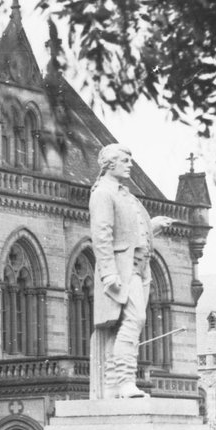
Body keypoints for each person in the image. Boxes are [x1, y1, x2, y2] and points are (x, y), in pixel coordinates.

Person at [88, 143, 153, 398]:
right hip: (120, 270)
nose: (130, 165)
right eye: (125, 160)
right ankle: (124, 382)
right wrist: (108, 273)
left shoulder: (124, 194)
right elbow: (101, 235)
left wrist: (153, 226)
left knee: (132, 322)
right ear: (109, 164)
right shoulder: (103, 193)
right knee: (134, 320)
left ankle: (123, 383)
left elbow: (129, 229)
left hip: (137, 268)